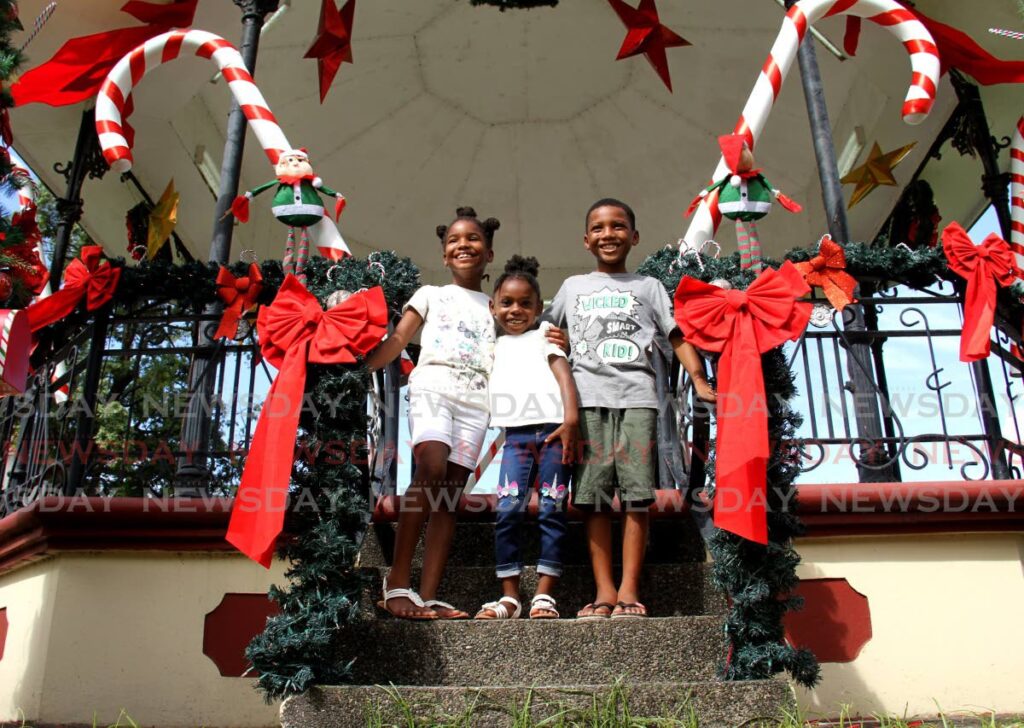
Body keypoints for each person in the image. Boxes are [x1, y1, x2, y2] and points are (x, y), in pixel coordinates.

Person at [547, 198, 716, 621]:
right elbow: (547, 333)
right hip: (586, 405)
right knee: (594, 499)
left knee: (637, 499)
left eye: (618, 226)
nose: (609, 234)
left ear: (634, 236)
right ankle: (603, 590)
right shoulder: (572, 287)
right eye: (599, 228)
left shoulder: (648, 287)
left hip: (638, 401)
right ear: (586, 240)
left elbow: (676, 336)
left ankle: (628, 590)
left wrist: (698, 378)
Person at [366, 206, 499, 620]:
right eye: (454, 241)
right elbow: (399, 339)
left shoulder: (497, 306)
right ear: (444, 255)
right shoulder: (429, 295)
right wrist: (362, 364)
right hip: (433, 390)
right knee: (431, 468)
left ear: (489, 253)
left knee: (449, 497)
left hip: (477, 401)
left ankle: (427, 596)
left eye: (473, 239)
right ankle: (397, 583)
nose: (464, 245)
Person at [475, 256, 579, 621]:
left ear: (539, 308)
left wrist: (571, 420)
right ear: (493, 307)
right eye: (507, 302)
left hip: (554, 433)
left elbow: (564, 376)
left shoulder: (545, 337)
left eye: (525, 303)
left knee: (552, 508)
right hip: (516, 438)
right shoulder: (493, 345)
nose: (515, 310)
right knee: (508, 511)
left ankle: (544, 595)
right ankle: (510, 596)